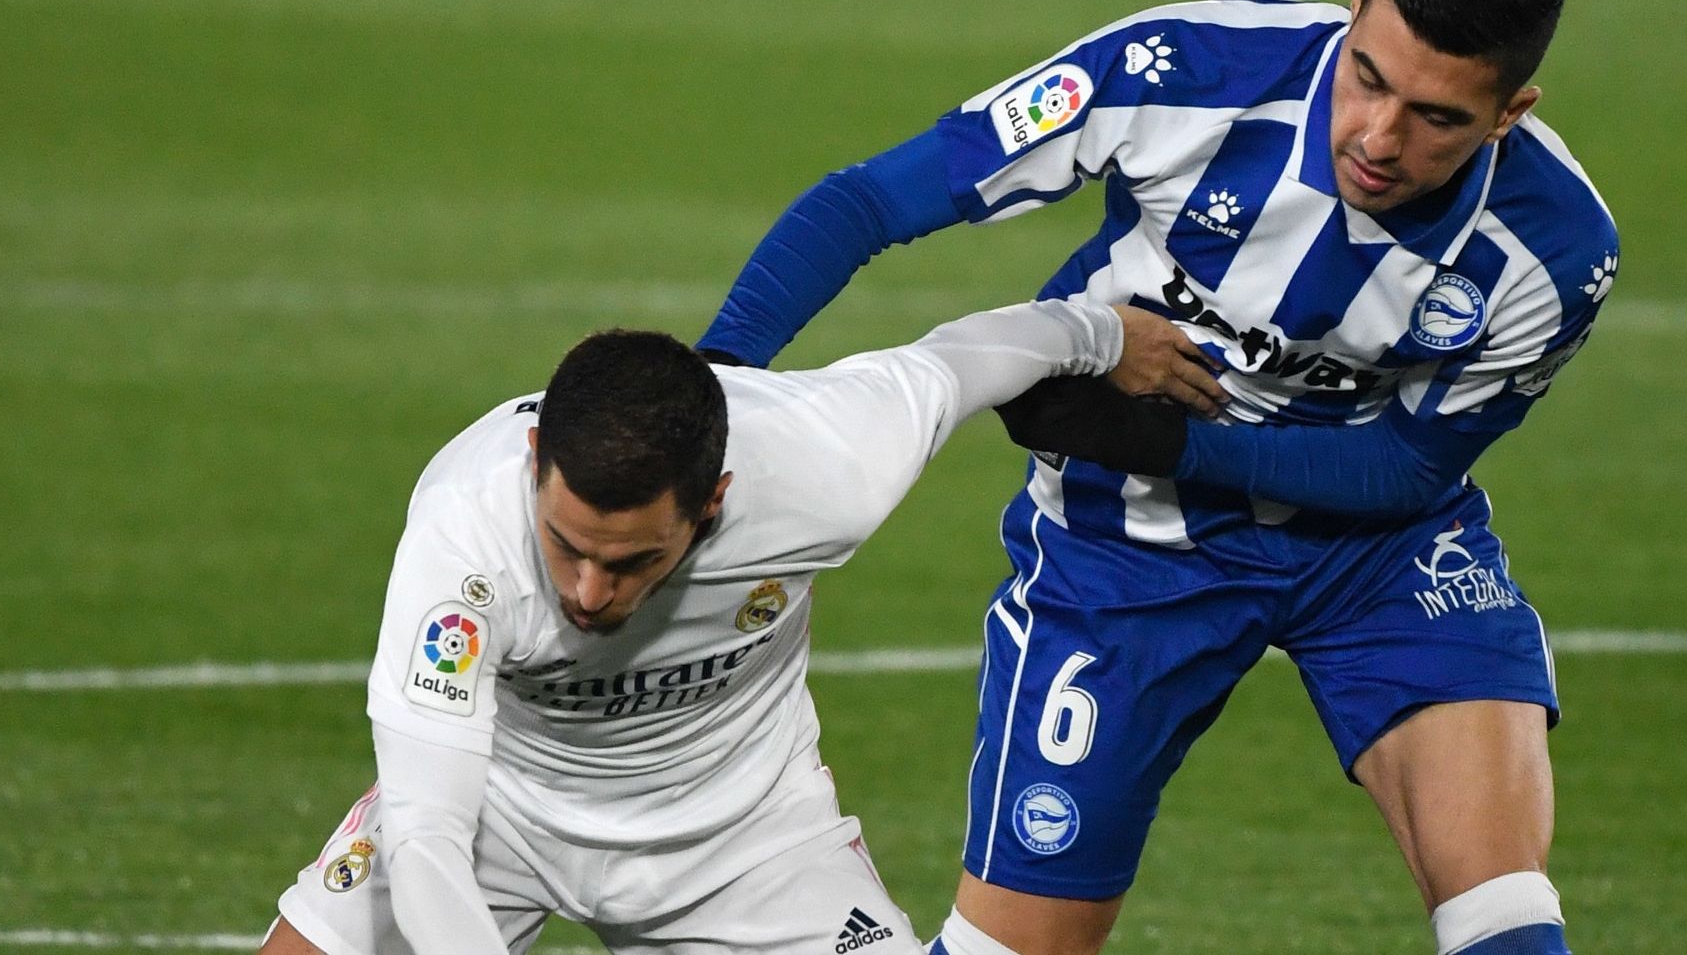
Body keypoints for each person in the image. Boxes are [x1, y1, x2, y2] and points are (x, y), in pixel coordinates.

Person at [696, 0, 1614, 955]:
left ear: (1511, 112)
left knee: (1505, 913)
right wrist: (715, 392)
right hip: (1127, 546)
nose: (1379, 136)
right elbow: (868, 204)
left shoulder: (1555, 254)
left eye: (1439, 118)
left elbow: (1407, 468)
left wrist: (1172, 441)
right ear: (1353, 12)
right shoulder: (1182, 71)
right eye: (1367, 76)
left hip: (1374, 553)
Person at [256, 297, 1222, 955]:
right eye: (567, 546)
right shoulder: (463, 536)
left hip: (744, 839)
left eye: (633, 560)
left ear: (713, 502)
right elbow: (426, 832)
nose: (589, 592)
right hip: (498, 813)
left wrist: (1101, 333)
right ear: (535, 456)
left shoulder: (824, 463)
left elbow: (962, 361)